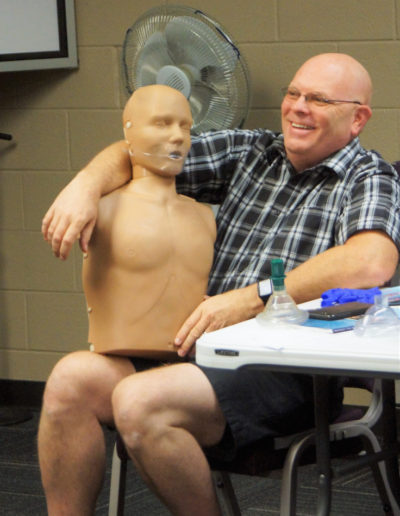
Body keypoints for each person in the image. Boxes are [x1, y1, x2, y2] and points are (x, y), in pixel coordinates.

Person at [39, 53, 400, 516]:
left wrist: (250, 300)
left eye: (319, 99)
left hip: (283, 372)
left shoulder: (369, 176)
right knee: (71, 380)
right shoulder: (251, 152)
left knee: (138, 401)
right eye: (294, 93)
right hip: (191, 350)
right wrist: (85, 185)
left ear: (358, 118)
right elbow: (139, 150)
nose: (298, 107)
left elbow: (369, 262)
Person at [82, 84, 215, 358]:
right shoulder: (102, 210)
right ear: (128, 131)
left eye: (186, 127)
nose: (178, 136)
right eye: (162, 124)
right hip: (120, 350)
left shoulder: (204, 216)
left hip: (191, 357)